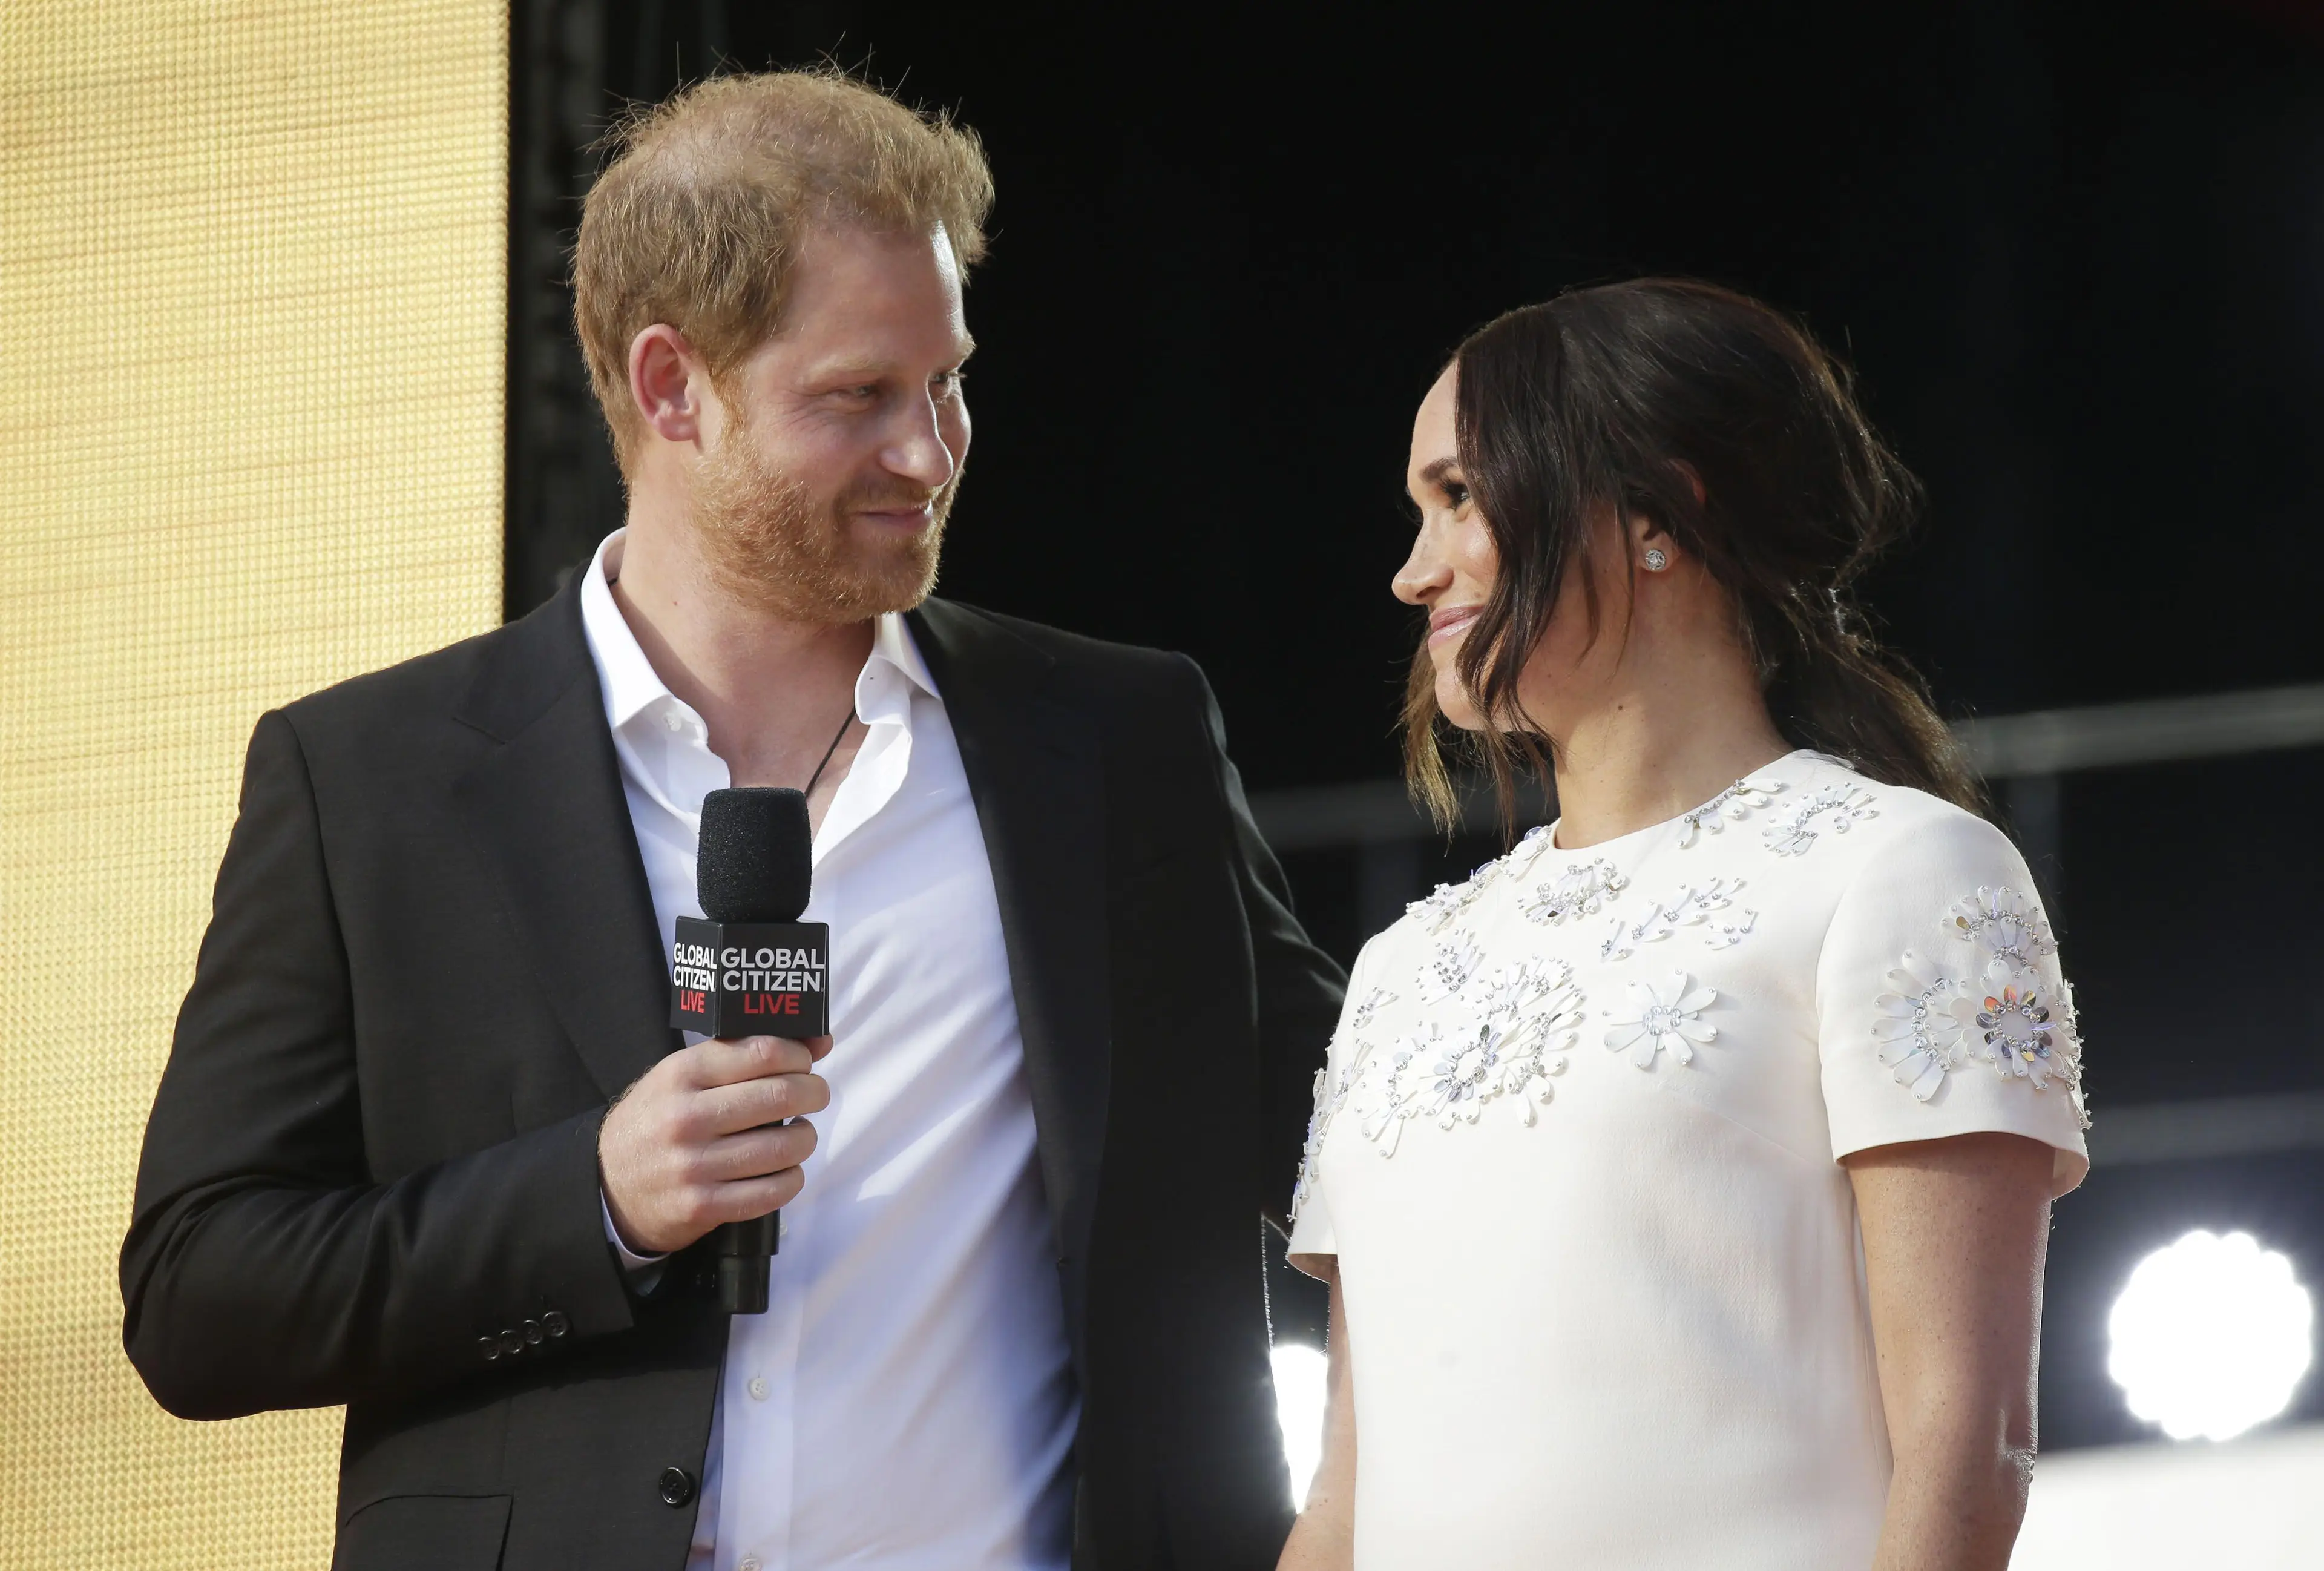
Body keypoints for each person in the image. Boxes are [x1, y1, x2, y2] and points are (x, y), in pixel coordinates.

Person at [121, 70, 1342, 1571]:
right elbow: (197, 1294)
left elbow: (1354, 1139)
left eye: (948, 379)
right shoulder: (370, 779)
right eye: (858, 397)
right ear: (668, 386)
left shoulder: (1115, 736)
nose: (932, 448)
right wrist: (596, 1198)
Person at [1278, 279, 2090, 1571]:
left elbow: (1966, 1448)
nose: (1412, 569)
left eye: (1460, 497)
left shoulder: (1896, 871)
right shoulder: (1405, 964)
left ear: (1659, 510)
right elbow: (1340, 1502)